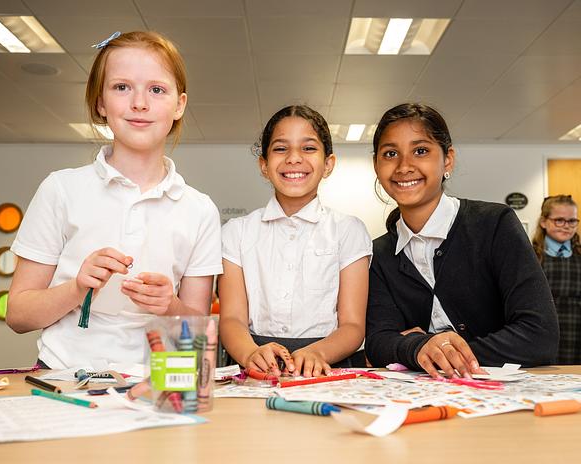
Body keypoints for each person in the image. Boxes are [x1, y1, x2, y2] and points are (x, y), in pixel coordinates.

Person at [7, 31, 222, 369]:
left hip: (158, 384)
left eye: (156, 89)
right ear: (100, 103)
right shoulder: (61, 189)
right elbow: (18, 315)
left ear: (179, 105)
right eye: (122, 87)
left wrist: (170, 305)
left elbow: (198, 331)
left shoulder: (199, 209)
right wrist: (77, 287)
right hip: (63, 376)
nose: (139, 102)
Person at [365, 103, 558, 378]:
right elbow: (378, 341)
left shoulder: (495, 224)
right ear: (376, 165)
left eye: (420, 151)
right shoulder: (379, 254)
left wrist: (433, 351)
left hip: (503, 398)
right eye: (390, 153)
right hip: (422, 403)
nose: (404, 166)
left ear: (448, 160)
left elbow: (540, 335)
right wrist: (418, 347)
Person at [218, 105, 372, 377]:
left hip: (329, 361)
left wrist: (319, 352)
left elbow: (352, 326)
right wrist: (250, 352)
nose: (293, 158)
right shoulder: (236, 232)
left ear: (328, 164)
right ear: (263, 165)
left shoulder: (348, 230)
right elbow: (231, 319)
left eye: (309, 148)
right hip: (255, 360)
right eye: (280, 148)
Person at [532, 195, 581, 364]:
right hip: (541, 332)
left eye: (572, 221)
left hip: (576, 332)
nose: (566, 226)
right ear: (544, 222)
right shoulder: (530, 256)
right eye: (559, 220)